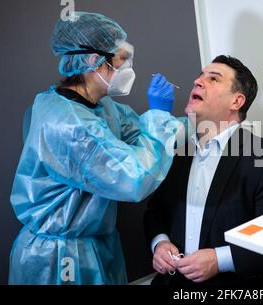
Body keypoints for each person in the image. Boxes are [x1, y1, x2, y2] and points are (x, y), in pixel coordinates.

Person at [9, 11, 184, 285]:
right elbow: (133, 178)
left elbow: (138, 131)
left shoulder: (101, 108)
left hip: (93, 246)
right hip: (59, 259)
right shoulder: (69, 124)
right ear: (94, 61)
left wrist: (201, 124)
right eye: (123, 59)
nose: (129, 69)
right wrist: (160, 115)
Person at [144, 55, 263, 285]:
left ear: (236, 102)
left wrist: (220, 260)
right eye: (199, 77)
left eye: (213, 79)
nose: (198, 82)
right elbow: (155, 212)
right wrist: (159, 243)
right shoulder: (176, 153)